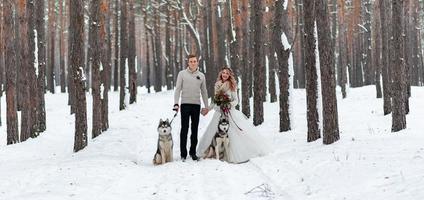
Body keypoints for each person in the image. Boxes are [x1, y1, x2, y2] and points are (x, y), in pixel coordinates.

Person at [197, 67, 270, 163]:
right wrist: (208, 109)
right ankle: (214, 152)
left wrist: (228, 104)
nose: (225, 75)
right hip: (219, 113)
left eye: (227, 73)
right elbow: (214, 101)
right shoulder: (217, 85)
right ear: (221, 74)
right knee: (213, 133)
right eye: (223, 73)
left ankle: (234, 154)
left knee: (234, 134)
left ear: (229, 75)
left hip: (229, 112)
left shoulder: (232, 85)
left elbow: (236, 101)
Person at [173, 54, 209, 161]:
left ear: (197, 62)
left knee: (194, 129)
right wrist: (176, 103)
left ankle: (193, 152)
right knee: (184, 129)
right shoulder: (182, 74)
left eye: (195, 61)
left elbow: (204, 91)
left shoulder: (201, 76)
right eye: (191, 61)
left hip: (196, 105)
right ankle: (183, 153)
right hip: (185, 104)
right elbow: (178, 89)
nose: (193, 63)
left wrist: (206, 106)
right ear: (188, 62)